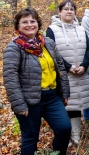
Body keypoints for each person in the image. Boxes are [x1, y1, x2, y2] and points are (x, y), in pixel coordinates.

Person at [3, 8, 71, 155]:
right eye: (24, 22)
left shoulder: (48, 43)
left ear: (38, 23)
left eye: (32, 21)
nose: (29, 25)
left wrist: (65, 92)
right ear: (18, 26)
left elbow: (60, 68)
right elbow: (10, 78)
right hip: (28, 101)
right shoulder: (14, 48)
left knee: (64, 128)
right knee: (30, 138)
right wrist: (19, 104)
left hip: (52, 97)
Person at [46, 0, 89, 145]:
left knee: (77, 104)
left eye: (72, 9)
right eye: (66, 9)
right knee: (64, 104)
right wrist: (68, 67)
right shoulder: (52, 29)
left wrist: (84, 66)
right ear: (59, 12)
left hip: (80, 73)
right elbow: (52, 51)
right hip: (63, 74)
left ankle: (76, 134)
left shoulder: (81, 29)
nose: (69, 11)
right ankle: (65, 135)